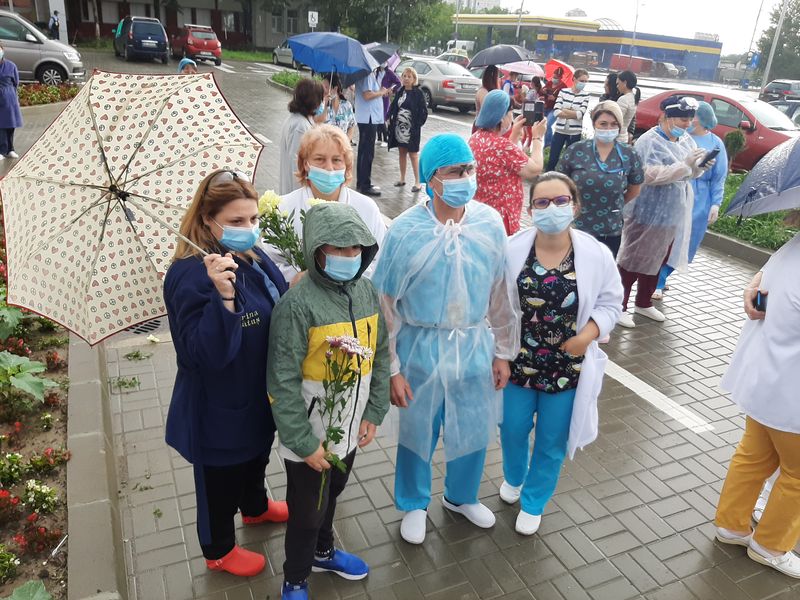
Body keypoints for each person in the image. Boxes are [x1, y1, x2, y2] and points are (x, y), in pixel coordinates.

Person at [371, 133, 520, 546]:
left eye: (469, 169)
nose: (465, 178)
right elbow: (385, 303)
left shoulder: (489, 223)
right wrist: (392, 368)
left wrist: (503, 352)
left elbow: (501, 292)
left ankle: (461, 496)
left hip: (473, 346)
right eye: (454, 171)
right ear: (431, 179)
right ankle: (414, 503)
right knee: (417, 430)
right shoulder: (406, 231)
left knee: (471, 426)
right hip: (419, 348)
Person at [163, 170, 290, 577]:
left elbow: (275, 299)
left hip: (257, 392)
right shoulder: (190, 274)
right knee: (220, 479)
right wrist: (224, 298)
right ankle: (218, 548)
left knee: (255, 456)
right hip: (217, 405)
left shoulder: (251, 255)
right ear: (207, 219)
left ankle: (254, 507)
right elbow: (201, 354)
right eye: (236, 221)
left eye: (252, 218)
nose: (248, 228)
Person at [267, 202, 390, 600]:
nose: (348, 256)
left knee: (332, 493)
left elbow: (380, 353)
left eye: (355, 248)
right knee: (306, 511)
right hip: (310, 434)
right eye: (337, 248)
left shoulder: (367, 291)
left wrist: (374, 410)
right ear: (316, 250)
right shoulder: (296, 305)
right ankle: (295, 579)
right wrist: (303, 442)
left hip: (349, 428)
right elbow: (281, 380)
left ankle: (323, 552)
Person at [502, 171, 622, 535]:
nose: (551, 208)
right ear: (530, 209)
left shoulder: (595, 254)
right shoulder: (511, 249)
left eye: (560, 201)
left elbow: (611, 303)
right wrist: (497, 352)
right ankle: (514, 477)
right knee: (512, 428)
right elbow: (496, 305)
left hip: (567, 367)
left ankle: (534, 501)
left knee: (551, 440)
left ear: (575, 206)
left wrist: (587, 335)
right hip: (518, 361)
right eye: (542, 202)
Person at [713, 212, 800, 579]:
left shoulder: (792, 248)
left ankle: (731, 526)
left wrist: (754, 287)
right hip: (792, 394)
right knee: (796, 476)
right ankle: (771, 546)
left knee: (754, 456)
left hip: (765, 382)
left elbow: (762, 290)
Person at [616, 95, 712, 328]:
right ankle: (618, 305)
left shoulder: (686, 140)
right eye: (682, 119)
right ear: (667, 117)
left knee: (658, 256)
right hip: (646, 209)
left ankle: (644, 301)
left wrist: (698, 168)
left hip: (672, 211)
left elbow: (688, 173)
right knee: (633, 258)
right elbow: (646, 174)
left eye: (689, 120)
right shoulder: (648, 141)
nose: (686, 124)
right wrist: (683, 166)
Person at [265, 125, 386, 283]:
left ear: (346, 165)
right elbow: (271, 264)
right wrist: (298, 277)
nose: (329, 168)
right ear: (305, 163)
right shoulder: (284, 208)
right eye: (320, 159)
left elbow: (381, 260)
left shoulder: (366, 208)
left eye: (336, 160)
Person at [654, 101, 727, 298]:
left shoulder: (715, 143)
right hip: (676, 191)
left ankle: (662, 276)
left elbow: (719, 176)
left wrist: (715, 203)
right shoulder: (680, 138)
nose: (688, 122)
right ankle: (657, 281)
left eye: (692, 117)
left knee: (689, 242)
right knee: (669, 238)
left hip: (700, 199)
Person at [556, 101, 643, 257]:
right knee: (573, 268)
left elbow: (635, 188)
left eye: (613, 124)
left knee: (604, 269)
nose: (608, 128)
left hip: (610, 229)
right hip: (576, 226)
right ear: (594, 124)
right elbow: (559, 184)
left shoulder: (629, 153)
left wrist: (616, 203)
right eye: (603, 124)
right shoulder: (576, 150)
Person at [469, 89, 546, 235]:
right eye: (510, 112)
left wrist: (514, 134)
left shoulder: (476, 138)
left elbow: (503, 161)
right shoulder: (502, 146)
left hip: (480, 212)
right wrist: (538, 138)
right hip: (501, 217)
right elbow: (535, 169)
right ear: (501, 117)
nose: (512, 116)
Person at [279, 79, 325, 195]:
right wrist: (301, 194)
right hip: (297, 191)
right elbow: (296, 163)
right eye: (320, 99)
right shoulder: (300, 126)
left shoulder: (300, 120)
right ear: (313, 101)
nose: (322, 103)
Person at [388, 67, 428, 192]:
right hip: (399, 129)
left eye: (409, 76)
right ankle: (402, 178)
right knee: (402, 153)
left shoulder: (418, 93)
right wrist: (389, 117)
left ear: (414, 79)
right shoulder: (400, 91)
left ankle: (417, 182)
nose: (406, 78)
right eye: (404, 76)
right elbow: (394, 106)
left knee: (413, 155)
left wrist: (417, 125)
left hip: (412, 130)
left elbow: (424, 112)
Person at [355, 68, 391, 196]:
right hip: (368, 117)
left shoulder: (370, 74)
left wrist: (381, 91)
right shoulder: (367, 74)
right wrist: (381, 92)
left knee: (364, 151)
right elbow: (367, 95)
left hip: (368, 116)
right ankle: (365, 185)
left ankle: (362, 182)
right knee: (367, 152)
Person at [546, 69, 591, 172]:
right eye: (581, 81)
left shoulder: (586, 95)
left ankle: (566, 178)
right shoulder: (563, 92)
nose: (583, 83)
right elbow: (556, 111)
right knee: (553, 158)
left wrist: (565, 111)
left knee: (570, 160)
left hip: (574, 132)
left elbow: (580, 114)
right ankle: (548, 176)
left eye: (585, 81)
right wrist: (572, 112)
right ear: (574, 79)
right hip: (560, 130)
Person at [0, 44, 22, 161]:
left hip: (9, 100)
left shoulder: (11, 66)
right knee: (1, 127)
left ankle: (10, 149)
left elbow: (15, 82)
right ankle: (1, 150)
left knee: (10, 125)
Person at [323, 73, 356, 144]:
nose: (324, 90)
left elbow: (352, 125)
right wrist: (325, 105)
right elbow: (317, 125)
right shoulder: (321, 105)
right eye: (322, 87)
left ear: (335, 89)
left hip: (342, 147)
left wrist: (346, 142)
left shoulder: (346, 105)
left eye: (326, 87)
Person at [542, 68, 567, 148]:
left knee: (548, 124)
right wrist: (544, 91)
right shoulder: (549, 83)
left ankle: (549, 144)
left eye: (556, 77)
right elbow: (542, 91)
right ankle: (549, 142)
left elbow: (565, 100)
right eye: (553, 77)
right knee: (544, 125)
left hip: (555, 109)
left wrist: (555, 99)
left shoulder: (563, 87)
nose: (554, 79)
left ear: (560, 77)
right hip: (546, 107)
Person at [377, 64, 400, 147]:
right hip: (376, 97)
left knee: (382, 118)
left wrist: (392, 90)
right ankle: (379, 138)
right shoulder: (376, 72)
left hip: (384, 99)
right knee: (377, 118)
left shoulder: (389, 73)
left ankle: (386, 139)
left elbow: (398, 83)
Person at [616, 71, 639, 144]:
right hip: (624, 136)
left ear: (625, 83)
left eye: (618, 83)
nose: (617, 86)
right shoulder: (633, 98)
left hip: (617, 137)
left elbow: (616, 120)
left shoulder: (623, 99)